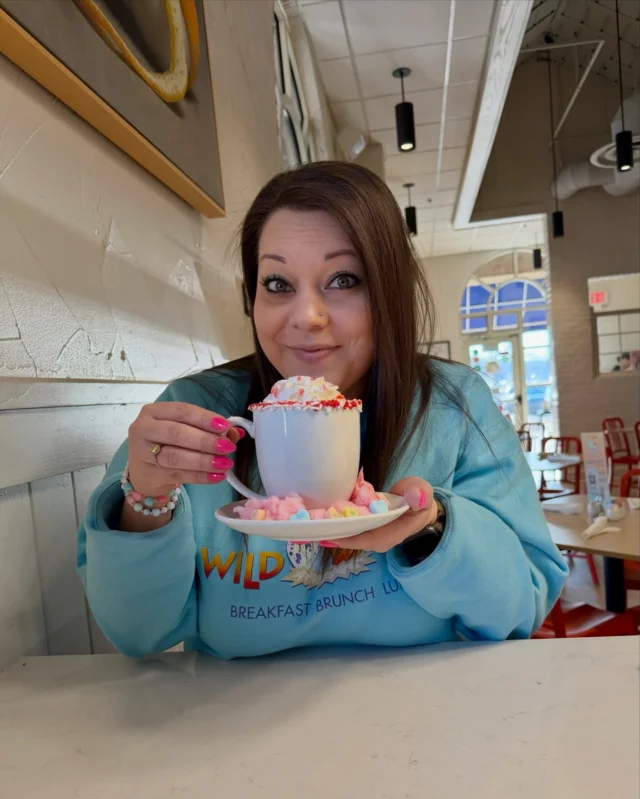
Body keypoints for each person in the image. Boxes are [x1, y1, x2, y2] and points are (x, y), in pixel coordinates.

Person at [78, 162, 567, 659]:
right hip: (236, 721)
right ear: (252, 299)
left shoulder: (453, 405)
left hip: (427, 714)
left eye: (343, 279)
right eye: (277, 284)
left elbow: (521, 606)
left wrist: (432, 529)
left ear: (387, 291)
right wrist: (146, 498)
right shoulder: (195, 412)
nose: (307, 317)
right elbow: (136, 633)